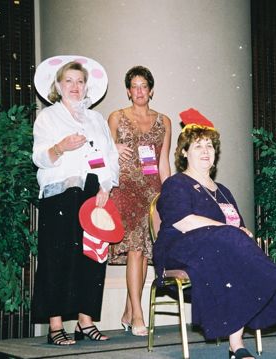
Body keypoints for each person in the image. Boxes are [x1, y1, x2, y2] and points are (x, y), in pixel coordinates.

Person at [153, 109, 276, 359]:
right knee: (231, 241)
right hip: (181, 250)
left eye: (210, 146)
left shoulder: (223, 191)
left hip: (216, 251)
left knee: (233, 254)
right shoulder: (176, 183)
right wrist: (230, 230)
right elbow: (184, 222)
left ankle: (237, 346)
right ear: (183, 152)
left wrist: (237, 232)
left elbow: (239, 231)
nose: (205, 151)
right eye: (198, 146)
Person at [32, 57, 119, 345]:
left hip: (93, 195)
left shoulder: (95, 119)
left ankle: (86, 322)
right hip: (60, 194)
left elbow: (107, 157)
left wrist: (106, 185)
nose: (74, 86)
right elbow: (39, 157)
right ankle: (55, 327)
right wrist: (60, 147)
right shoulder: (48, 117)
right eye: (68, 80)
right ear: (57, 85)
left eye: (80, 81)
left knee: (92, 257)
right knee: (56, 259)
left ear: (86, 87)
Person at [108, 66, 172, 336]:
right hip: (125, 188)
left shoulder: (164, 121)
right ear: (127, 91)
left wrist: (169, 194)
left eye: (144, 85)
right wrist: (113, 149)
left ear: (151, 90)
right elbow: (101, 154)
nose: (139, 91)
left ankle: (127, 311)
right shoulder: (116, 117)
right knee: (136, 247)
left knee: (145, 252)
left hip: (152, 190)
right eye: (134, 86)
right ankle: (138, 316)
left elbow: (163, 161)